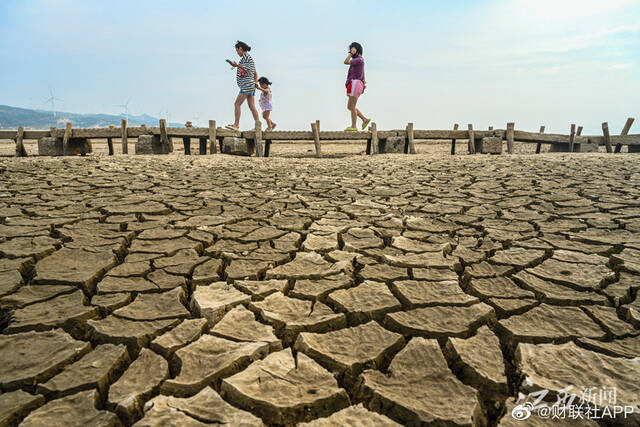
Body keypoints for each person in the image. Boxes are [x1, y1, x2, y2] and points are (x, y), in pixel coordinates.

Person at [226, 41, 260, 131]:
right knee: (252, 106)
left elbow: (246, 68)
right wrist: (255, 83)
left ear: (241, 49)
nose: (237, 53)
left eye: (237, 51)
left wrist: (235, 65)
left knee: (237, 104)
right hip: (250, 85)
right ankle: (258, 126)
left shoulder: (247, 58)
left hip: (246, 85)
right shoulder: (245, 59)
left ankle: (236, 125)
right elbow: (255, 73)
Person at [343, 42, 371, 131]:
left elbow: (346, 62)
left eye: (352, 49)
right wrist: (363, 83)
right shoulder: (359, 61)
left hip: (355, 83)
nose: (351, 51)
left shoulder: (359, 59)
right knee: (350, 106)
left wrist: (350, 54)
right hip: (354, 83)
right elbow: (362, 73)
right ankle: (364, 119)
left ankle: (354, 126)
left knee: (352, 106)